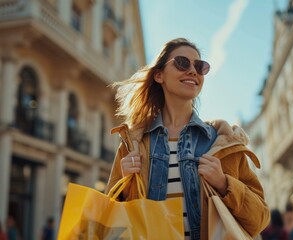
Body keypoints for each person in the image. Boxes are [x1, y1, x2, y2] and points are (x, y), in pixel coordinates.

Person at [105, 38, 270, 239]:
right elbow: (109, 221)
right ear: (159, 75)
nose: (193, 71)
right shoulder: (133, 143)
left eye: (200, 66)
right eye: (182, 63)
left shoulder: (223, 141)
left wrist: (225, 184)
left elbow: (260, 218)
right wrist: (124, 183)